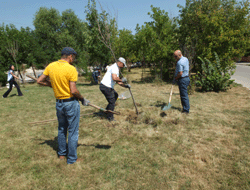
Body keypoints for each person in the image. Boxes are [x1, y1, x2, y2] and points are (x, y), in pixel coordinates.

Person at [37, 47, 90, 164]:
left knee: (62, 129)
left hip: (59, 103)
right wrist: (82, 99)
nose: (73, 60)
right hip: (70, 103)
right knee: (73, 131)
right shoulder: (71, 69)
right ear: (70, 56)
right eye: (73, 57)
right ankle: (71, 159)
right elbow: (74, 91)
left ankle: (61, 154)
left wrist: (52, 85)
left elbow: (39, 80)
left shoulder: (51, 66)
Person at [99, 57, 130, 121]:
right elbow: (114, 78)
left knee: (115, 96)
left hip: (106, 86)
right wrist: (122, 80)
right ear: (120, 63)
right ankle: (110, 117)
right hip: (106, 86)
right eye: (123, 65)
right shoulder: (115, 68)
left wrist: (125, 86)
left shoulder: (116, 67)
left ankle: (106, 111)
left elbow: (118, 82)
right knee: (112, 102)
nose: (123, 66)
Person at [173, 50, 190, 114]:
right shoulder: (186, 59)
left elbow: (180, 73)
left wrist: (175, 78)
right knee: (185, 94)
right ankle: (186, 107)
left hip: (182, 79)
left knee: (183, 95)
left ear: (179, 55)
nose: (174, 58)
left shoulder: (179, 62)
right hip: (187, 78)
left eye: (175, 56)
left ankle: (186, 110)